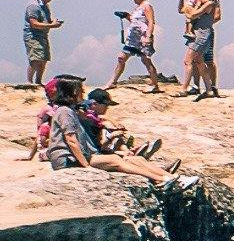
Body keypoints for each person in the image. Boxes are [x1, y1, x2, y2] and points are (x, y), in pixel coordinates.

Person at [35, 77, 170, 182]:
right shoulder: (65, 111)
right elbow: (71, 141)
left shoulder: (69, 110)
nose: (83, 93)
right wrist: (86, 166)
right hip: (67, 160)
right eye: (81, 90)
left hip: (77, 157)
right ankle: (161, 179)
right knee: (116, 160)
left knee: (133, 159)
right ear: (73, 92)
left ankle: (169, 177)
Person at [108, 0, 167, 88]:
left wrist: (148, 37)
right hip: (132, 39)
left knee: (146, 60)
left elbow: (151, 22)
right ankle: (112, 82)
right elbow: (136, 21)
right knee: (121, 58)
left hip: (142, 38)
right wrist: (126, 15)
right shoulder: (138, 7)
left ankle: (155, 84)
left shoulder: (147, 6)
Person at [177, 0, 220, 100]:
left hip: (202, 34)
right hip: (198, 32)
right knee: (199, 62)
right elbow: (182, 10)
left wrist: (192, 8)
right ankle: (209, 90)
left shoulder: (210, 2)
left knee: (188, 60)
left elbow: (191, 15)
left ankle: (184, 88)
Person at [23, 0, 57, 88]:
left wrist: (53, 22)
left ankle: (38, 81)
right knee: (35, 58)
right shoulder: (33, 6)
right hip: (33, 36)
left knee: (44, 58)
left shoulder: (45, 6)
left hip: (43, 35)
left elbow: (46, 21)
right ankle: (29, 82)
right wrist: (51, 25)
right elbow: (34, 23)